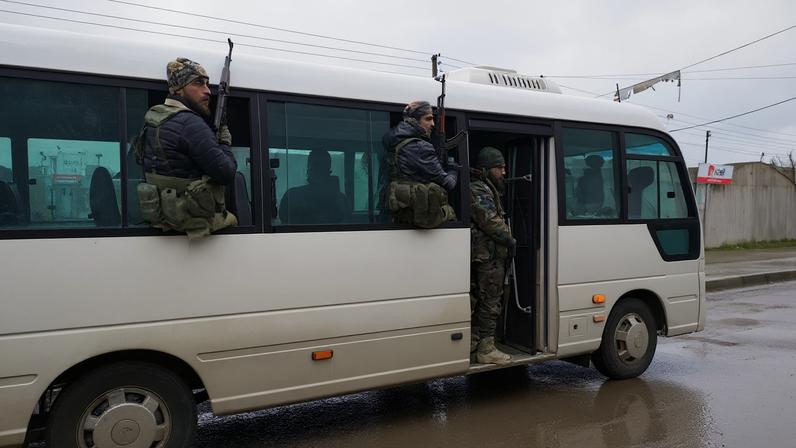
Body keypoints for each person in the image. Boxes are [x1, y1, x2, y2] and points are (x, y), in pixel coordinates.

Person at [134, 57, 238, 239]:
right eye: (198, 83)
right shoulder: (190, 124)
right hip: (193, 226)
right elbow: (227, 173)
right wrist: (224, 142)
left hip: (165, 222)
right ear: (178, 89)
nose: (207, 91)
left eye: (207, 84)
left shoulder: (153, 120)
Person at [470, 146, 515, 365]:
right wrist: (510, 238)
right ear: (486, 169)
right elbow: (490, 222)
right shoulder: (478, 188)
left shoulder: (487, 187)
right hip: (486, 256)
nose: (504, 172)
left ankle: (476, 340)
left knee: (483, 299)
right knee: (490, 300)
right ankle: (486, 348)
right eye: (500, 167)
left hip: (488, 254)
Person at [381, 101, 458, 227]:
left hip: (401, 216)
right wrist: (453, 169)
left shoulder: (394, 143)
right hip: (419, 218)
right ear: (414, 121)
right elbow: (448, 183)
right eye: (428, 119)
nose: (432, 124)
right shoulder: (420, 147)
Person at [279, 149, 349, 224]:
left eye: (318, 166)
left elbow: (284, 222)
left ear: (308, 169)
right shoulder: (341, 199)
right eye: (316, 166)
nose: (316, 169)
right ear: (329, 170)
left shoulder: (292, 196)